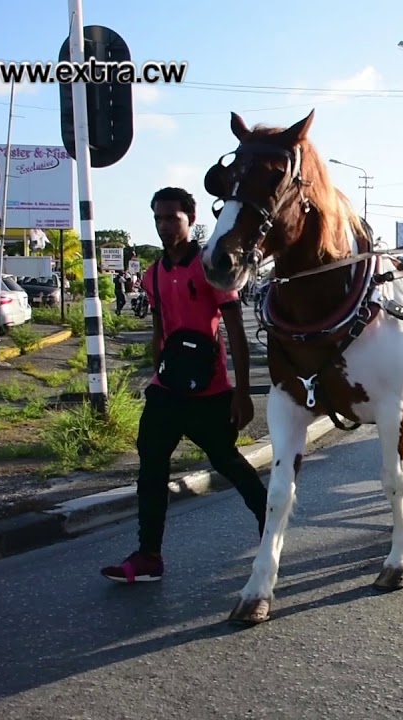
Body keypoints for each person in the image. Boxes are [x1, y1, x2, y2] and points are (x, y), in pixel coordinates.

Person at [100, 187, 268, 584]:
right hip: (167, 388)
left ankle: (270, 526)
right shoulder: (153, 274)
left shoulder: (211, 267)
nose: (163, 225)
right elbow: (160, 328)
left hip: (210, 391)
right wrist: (154, 372)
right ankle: (148, 556)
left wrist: (242, 392)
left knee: (228, 463)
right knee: (151, 469)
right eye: (158, 218)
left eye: (172, 218)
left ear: (190, 220)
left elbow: (235, 332)